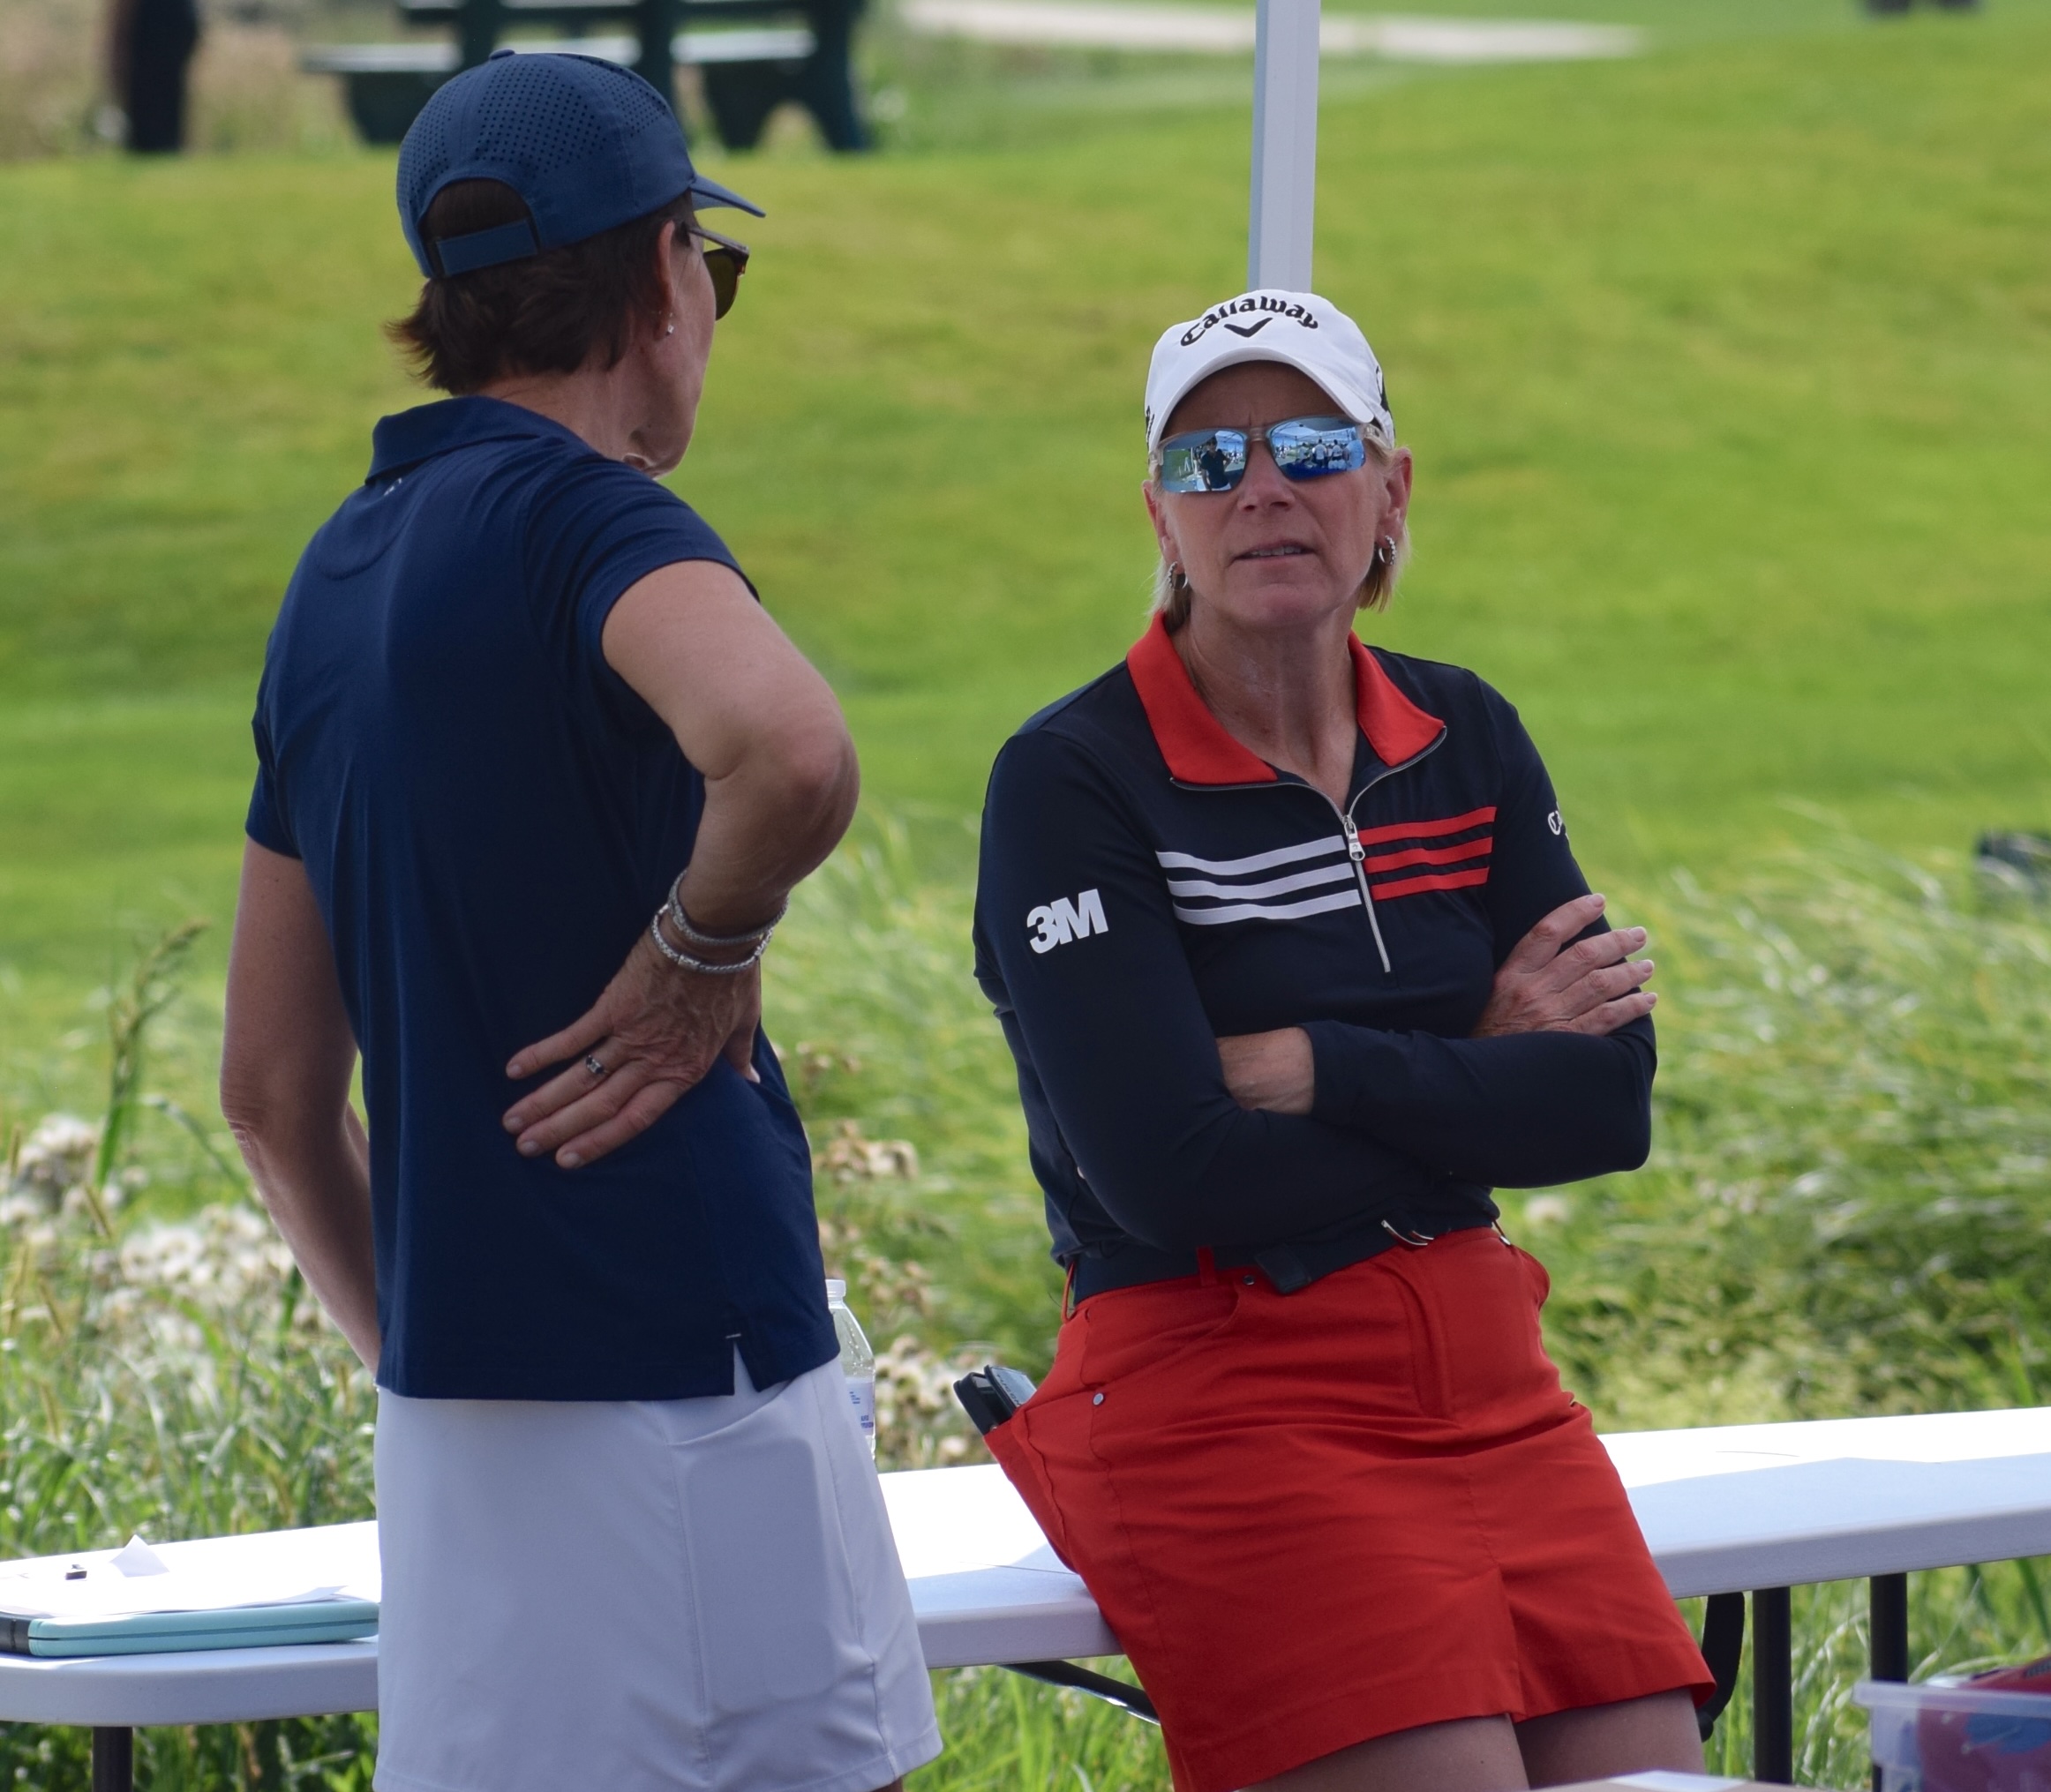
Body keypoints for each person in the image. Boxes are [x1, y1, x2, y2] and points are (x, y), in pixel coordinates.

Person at [218, 52, 940, 1792]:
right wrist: (703, 951)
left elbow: (269, 1092)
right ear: (656, 280)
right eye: (712, 267)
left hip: (461, 1435)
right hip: (687, 1378)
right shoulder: (583, 515)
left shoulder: (334, 575)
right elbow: (790, 749)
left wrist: (427, 1361)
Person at [972, 289, 1714, 1792]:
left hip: (1490, 1377)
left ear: (1391, 488)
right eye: (1207, 460)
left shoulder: (1466, 730)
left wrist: (1321, 1066)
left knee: (1655, 1781)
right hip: (1221, 1386)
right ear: (1162, 517)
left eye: (1312, 446)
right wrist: (1481, 1061)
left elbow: (1606, 1106)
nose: (1260, 487)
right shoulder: (1071, 777)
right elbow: (1169, 1175)